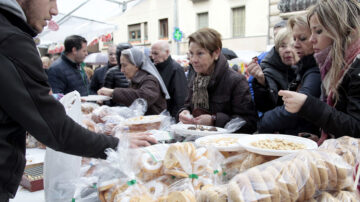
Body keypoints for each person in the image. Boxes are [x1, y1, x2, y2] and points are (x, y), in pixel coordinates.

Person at [0, 0, 155, 200]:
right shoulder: (11, 41)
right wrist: (118, 145)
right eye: (50, 0)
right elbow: (56, 130)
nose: (54, 10)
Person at [279, 0, 360, 142]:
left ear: (343, 31)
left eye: (318, 31)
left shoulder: (355, 67)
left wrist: (308, 105)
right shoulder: (334, 66)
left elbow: (356, 129)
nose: (312, 39)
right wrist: (323, 138)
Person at [178, 28, 258, 133]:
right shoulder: (195, 79)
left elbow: (249, 123)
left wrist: (214, 120)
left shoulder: (236, 81)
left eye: (200, 53)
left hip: (225, 145)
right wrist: (184, 112)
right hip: (197, 141)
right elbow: (188, 106)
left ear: (216, 53)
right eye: (191, 54)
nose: (193, 60)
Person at [258, 16, 321, 135]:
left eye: (302, 39)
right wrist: (260, 82)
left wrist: (264, 121)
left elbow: (297, 108)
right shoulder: (302, 68)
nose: (295, 45)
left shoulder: (314, 71)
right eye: (294, 39)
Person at [98, 47, 169, 115]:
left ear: (136, 65)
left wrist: (113, 92)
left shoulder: (150, 80)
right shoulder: (136, 80)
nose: (122, 70)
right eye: (121, 66)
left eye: (124, 65)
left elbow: (142, 98)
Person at [248, 28, 298, 113]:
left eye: (293, 45)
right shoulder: (269, 69)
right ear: (277, 49)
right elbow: (266, 105)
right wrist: (262, 82)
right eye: (283, 46)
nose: (288, 50)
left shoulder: (306, 66)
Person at [151, 40, 187, 117]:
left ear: (167, 52)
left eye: (156, 53)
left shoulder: (176, 69)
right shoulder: (155, 67)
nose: (153, 57)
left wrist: (174, 119)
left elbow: (180, 99)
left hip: (170, 117)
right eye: (152, 53)